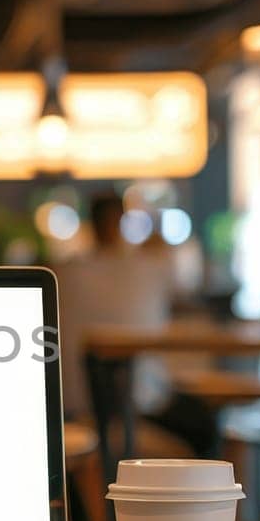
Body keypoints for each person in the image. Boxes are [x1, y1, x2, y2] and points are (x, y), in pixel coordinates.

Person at [54, 193, 216, 458]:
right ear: (121, 220)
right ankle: (207, 495)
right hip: (138, 406)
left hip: (73, 408)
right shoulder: (148, 267)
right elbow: (189, 293)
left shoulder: (65, 271)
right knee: (204, 425)